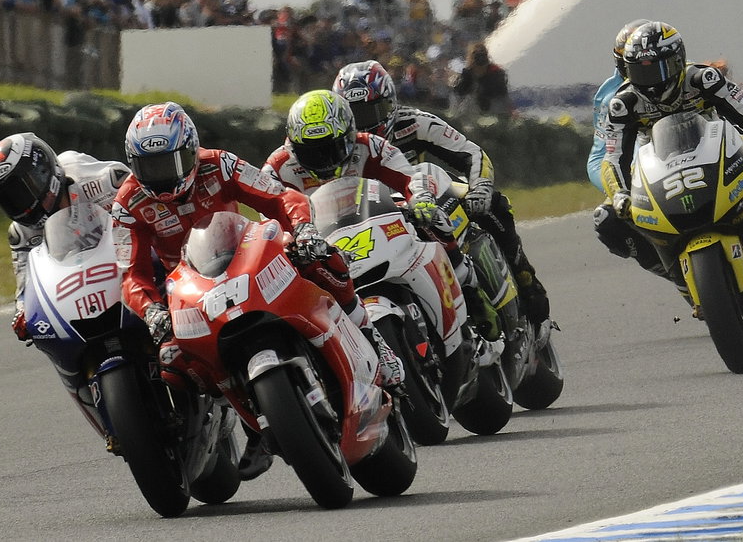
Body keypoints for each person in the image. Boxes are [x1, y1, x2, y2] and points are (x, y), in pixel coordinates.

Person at [109, 101, 403, 481]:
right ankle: (224, 431)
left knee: (324, 261)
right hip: (187, 282)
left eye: (169, 164)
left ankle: (373, 338)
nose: (161, 177)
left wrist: (304, 230)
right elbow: (130, 276)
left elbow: (281, 196)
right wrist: (151, 311)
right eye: (149, 167)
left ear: (189, 151)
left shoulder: (220, 163)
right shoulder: (127, 204)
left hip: (242, 252)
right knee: (172, 359)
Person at [263, 89, 500, 335]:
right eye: (310, 151)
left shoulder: (369, 146)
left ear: (349, 134)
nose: (323, 161)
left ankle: (469, 288)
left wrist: (420, 199)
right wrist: (291, 242)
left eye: (331, 148)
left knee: (432, 218)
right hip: (322, 241)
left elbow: (409, 176)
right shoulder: (278, 168)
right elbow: (269, 221)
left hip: (377, 217)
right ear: (292, 143)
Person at [601, 21, 743, 278]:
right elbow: (612, 157)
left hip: (720, 151)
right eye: (640, 73)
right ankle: (673, 272)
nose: (651, 83)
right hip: (659, 170)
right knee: (607, 219)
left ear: (677, 61)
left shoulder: (702, 78)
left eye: (658, 70)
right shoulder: (623, 104)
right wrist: (619, 192)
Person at [334, 59, 551, 322]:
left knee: (495, 205)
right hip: (371, 219)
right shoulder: (334, 148)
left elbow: (471, 153)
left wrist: (479, 187)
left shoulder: (414, 122)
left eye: (370, 113)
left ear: (390, 105)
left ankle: (524, 277)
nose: (363, 125)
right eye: (354, 117)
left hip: (430, 198)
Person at [0, 133, 130, 340]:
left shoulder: (104, 182)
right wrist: (23, 313)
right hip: (81, 290)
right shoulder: (21, 233)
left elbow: (148, 207)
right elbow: (25, 282)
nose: (20, 206)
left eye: (22, 192)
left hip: (127, 266)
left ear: (44, 172)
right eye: (9, 201)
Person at [585, 20, 670, 278]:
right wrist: (624, 189)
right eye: (633, 66)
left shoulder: (689, 78)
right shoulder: (612, 98)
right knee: (607, 219)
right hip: (646, 177)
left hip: (692, 158)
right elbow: (600, 156)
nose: (646, 75)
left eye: (654, 65)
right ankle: (674, 275)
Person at [452, 42, 512, 115]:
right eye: (475, 53)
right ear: (471, 56)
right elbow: (459, 93)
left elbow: (501, 95)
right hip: (473, 112)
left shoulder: (496, 72)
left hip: (494, 110)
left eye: (482, 52)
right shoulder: (467, 74)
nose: (479, 55)